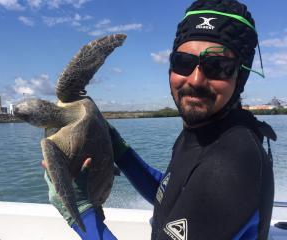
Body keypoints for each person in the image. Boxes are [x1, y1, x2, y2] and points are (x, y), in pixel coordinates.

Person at [43, 0, 276, 239]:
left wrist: (81, 211)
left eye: (217, 66)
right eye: (183, 62)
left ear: (241, 76)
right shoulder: (205, 131)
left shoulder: (230, 167)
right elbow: (171, 192)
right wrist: (118, 148)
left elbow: (205, 192)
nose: (195, 80)